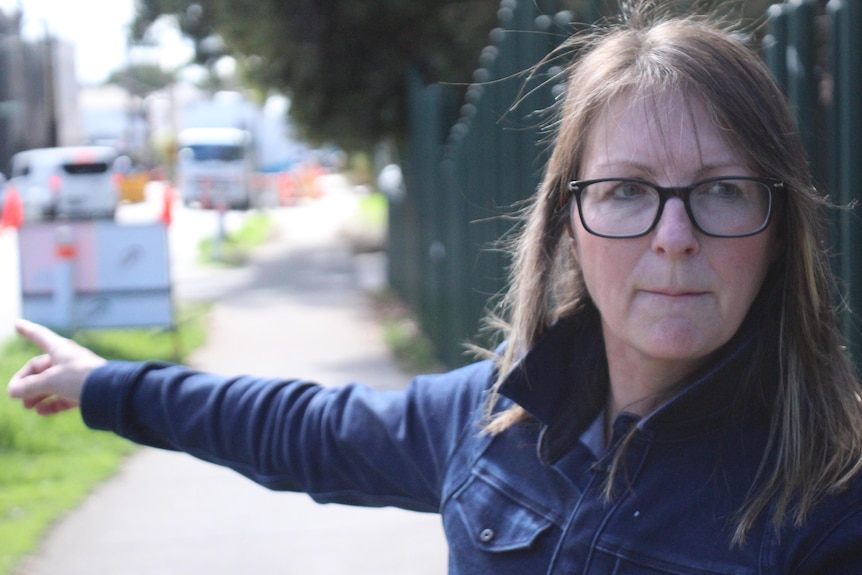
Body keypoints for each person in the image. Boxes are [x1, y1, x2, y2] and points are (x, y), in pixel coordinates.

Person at [8, 2, 862, 573]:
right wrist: (108, 385)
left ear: (779, 228)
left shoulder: (828, 498)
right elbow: (305, 429)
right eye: (627, 190)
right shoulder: (500, 416)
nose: (674, 239)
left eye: (720, 190)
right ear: (569, 220)